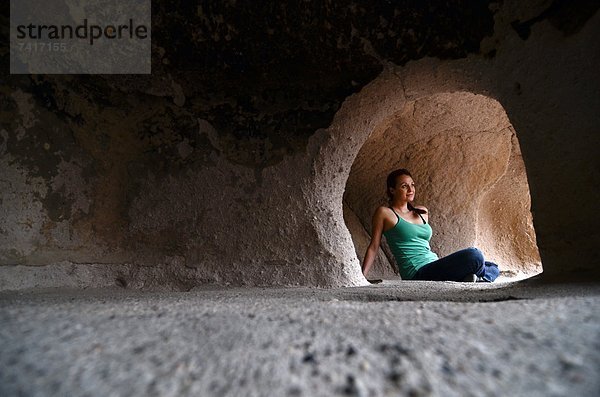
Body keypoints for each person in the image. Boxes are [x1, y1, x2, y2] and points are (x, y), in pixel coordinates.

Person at [361, 168, 499, 282]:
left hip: (434, 265)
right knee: (474, 255)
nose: (410, 189)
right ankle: (480, 277)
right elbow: (374, 246)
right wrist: (362, 277)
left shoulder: (422, 212)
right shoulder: (385, 213)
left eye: (412, 185)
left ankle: (470, 277)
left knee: (492, 265)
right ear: (392, 190)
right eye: (404, 186)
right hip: (417, 273)